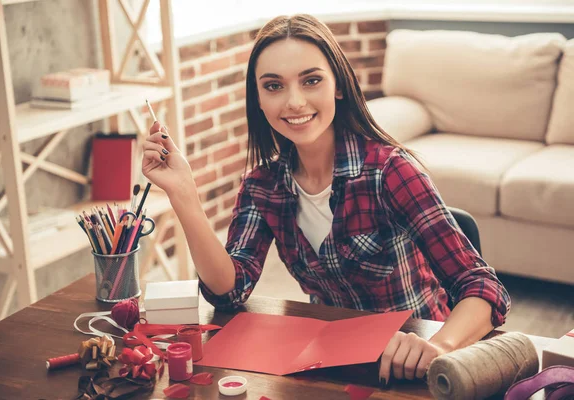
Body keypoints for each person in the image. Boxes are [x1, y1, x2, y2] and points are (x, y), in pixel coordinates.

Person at [142, 14, 510, 387]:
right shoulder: (262, 186)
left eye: (311, 80)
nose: (295, 102)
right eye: (273, 86)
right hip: (337, 366)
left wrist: (440, 344)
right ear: (259, 99)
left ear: (338, 85)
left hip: (417, 368)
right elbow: (230, 291)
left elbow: (484, 287)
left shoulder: (390, 172)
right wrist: (183, 193)